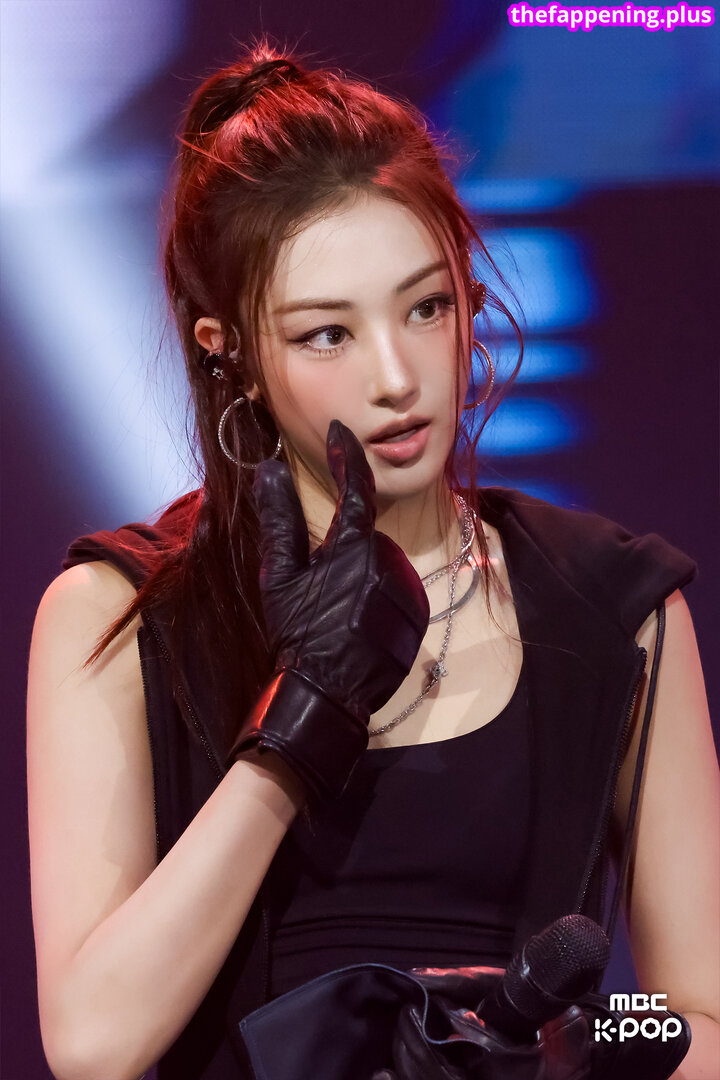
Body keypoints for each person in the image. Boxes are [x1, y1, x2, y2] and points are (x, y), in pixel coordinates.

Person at [26, 39, 719, 1080]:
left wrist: (581, 1043)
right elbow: (94, 1045)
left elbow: (697, 1023)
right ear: (231, 352)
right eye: (326, 335)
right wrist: (301, 721)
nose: (397, 376)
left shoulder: (615, 609)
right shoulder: (119, 614)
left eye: (425, 307)